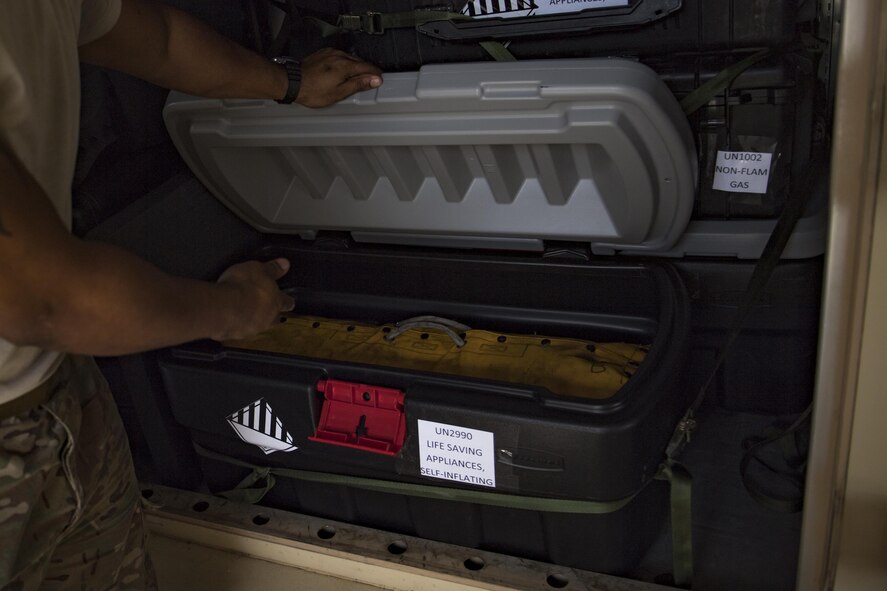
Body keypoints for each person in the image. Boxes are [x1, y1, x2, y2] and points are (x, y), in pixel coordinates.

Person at [0, 0, 382, 588]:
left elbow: (158, 39)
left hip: (62, 385)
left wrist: (290, 82)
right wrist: (232, 311)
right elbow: (50, 299)